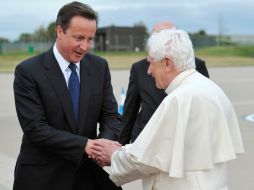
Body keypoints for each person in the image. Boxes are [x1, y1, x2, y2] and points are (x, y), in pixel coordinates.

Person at [90, 28, 244, 190]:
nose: (149, 71)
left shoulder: (180, 99)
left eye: (151, 63)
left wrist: (114, 156)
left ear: (167, 63)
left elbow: (149, 159)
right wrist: (124, 149)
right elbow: (162, 147)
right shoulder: (210, 89)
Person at [13, 2, 122, 190]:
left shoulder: (99, 67)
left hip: (88, 174)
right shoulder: (28, 71)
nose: (85, 46)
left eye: (90, 39)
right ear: (59, 32)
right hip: (43, 177)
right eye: (79, 38)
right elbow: (35, 128)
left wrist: (102, 145)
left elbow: (110, 116)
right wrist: (84, 145)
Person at [119, 21, 209, 145]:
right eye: (155, 37)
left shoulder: (196, 65)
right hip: (145, 138)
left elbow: (203, 107)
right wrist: (120, 148)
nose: (149, 71)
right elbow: (130, 111)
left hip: (181, 140)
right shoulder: (139, 68)